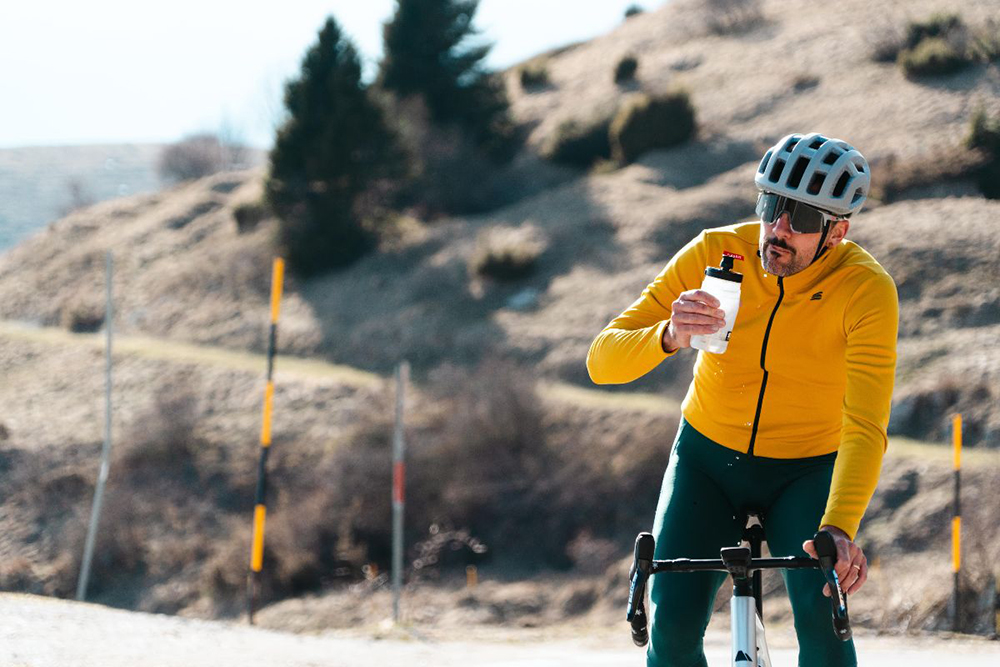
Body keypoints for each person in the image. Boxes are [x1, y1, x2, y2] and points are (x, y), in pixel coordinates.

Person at [587, 132, 898, 667]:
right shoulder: (716, 251)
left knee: (824, 621)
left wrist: (840, 526)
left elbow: (866, 423)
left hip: (807, 470)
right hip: (708, 461)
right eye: (771, 206)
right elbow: (601, 360)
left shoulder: (865, 289)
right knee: (672, 626)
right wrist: (669, 335)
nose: (778, 229)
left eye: (802, 218)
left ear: (837, 232)